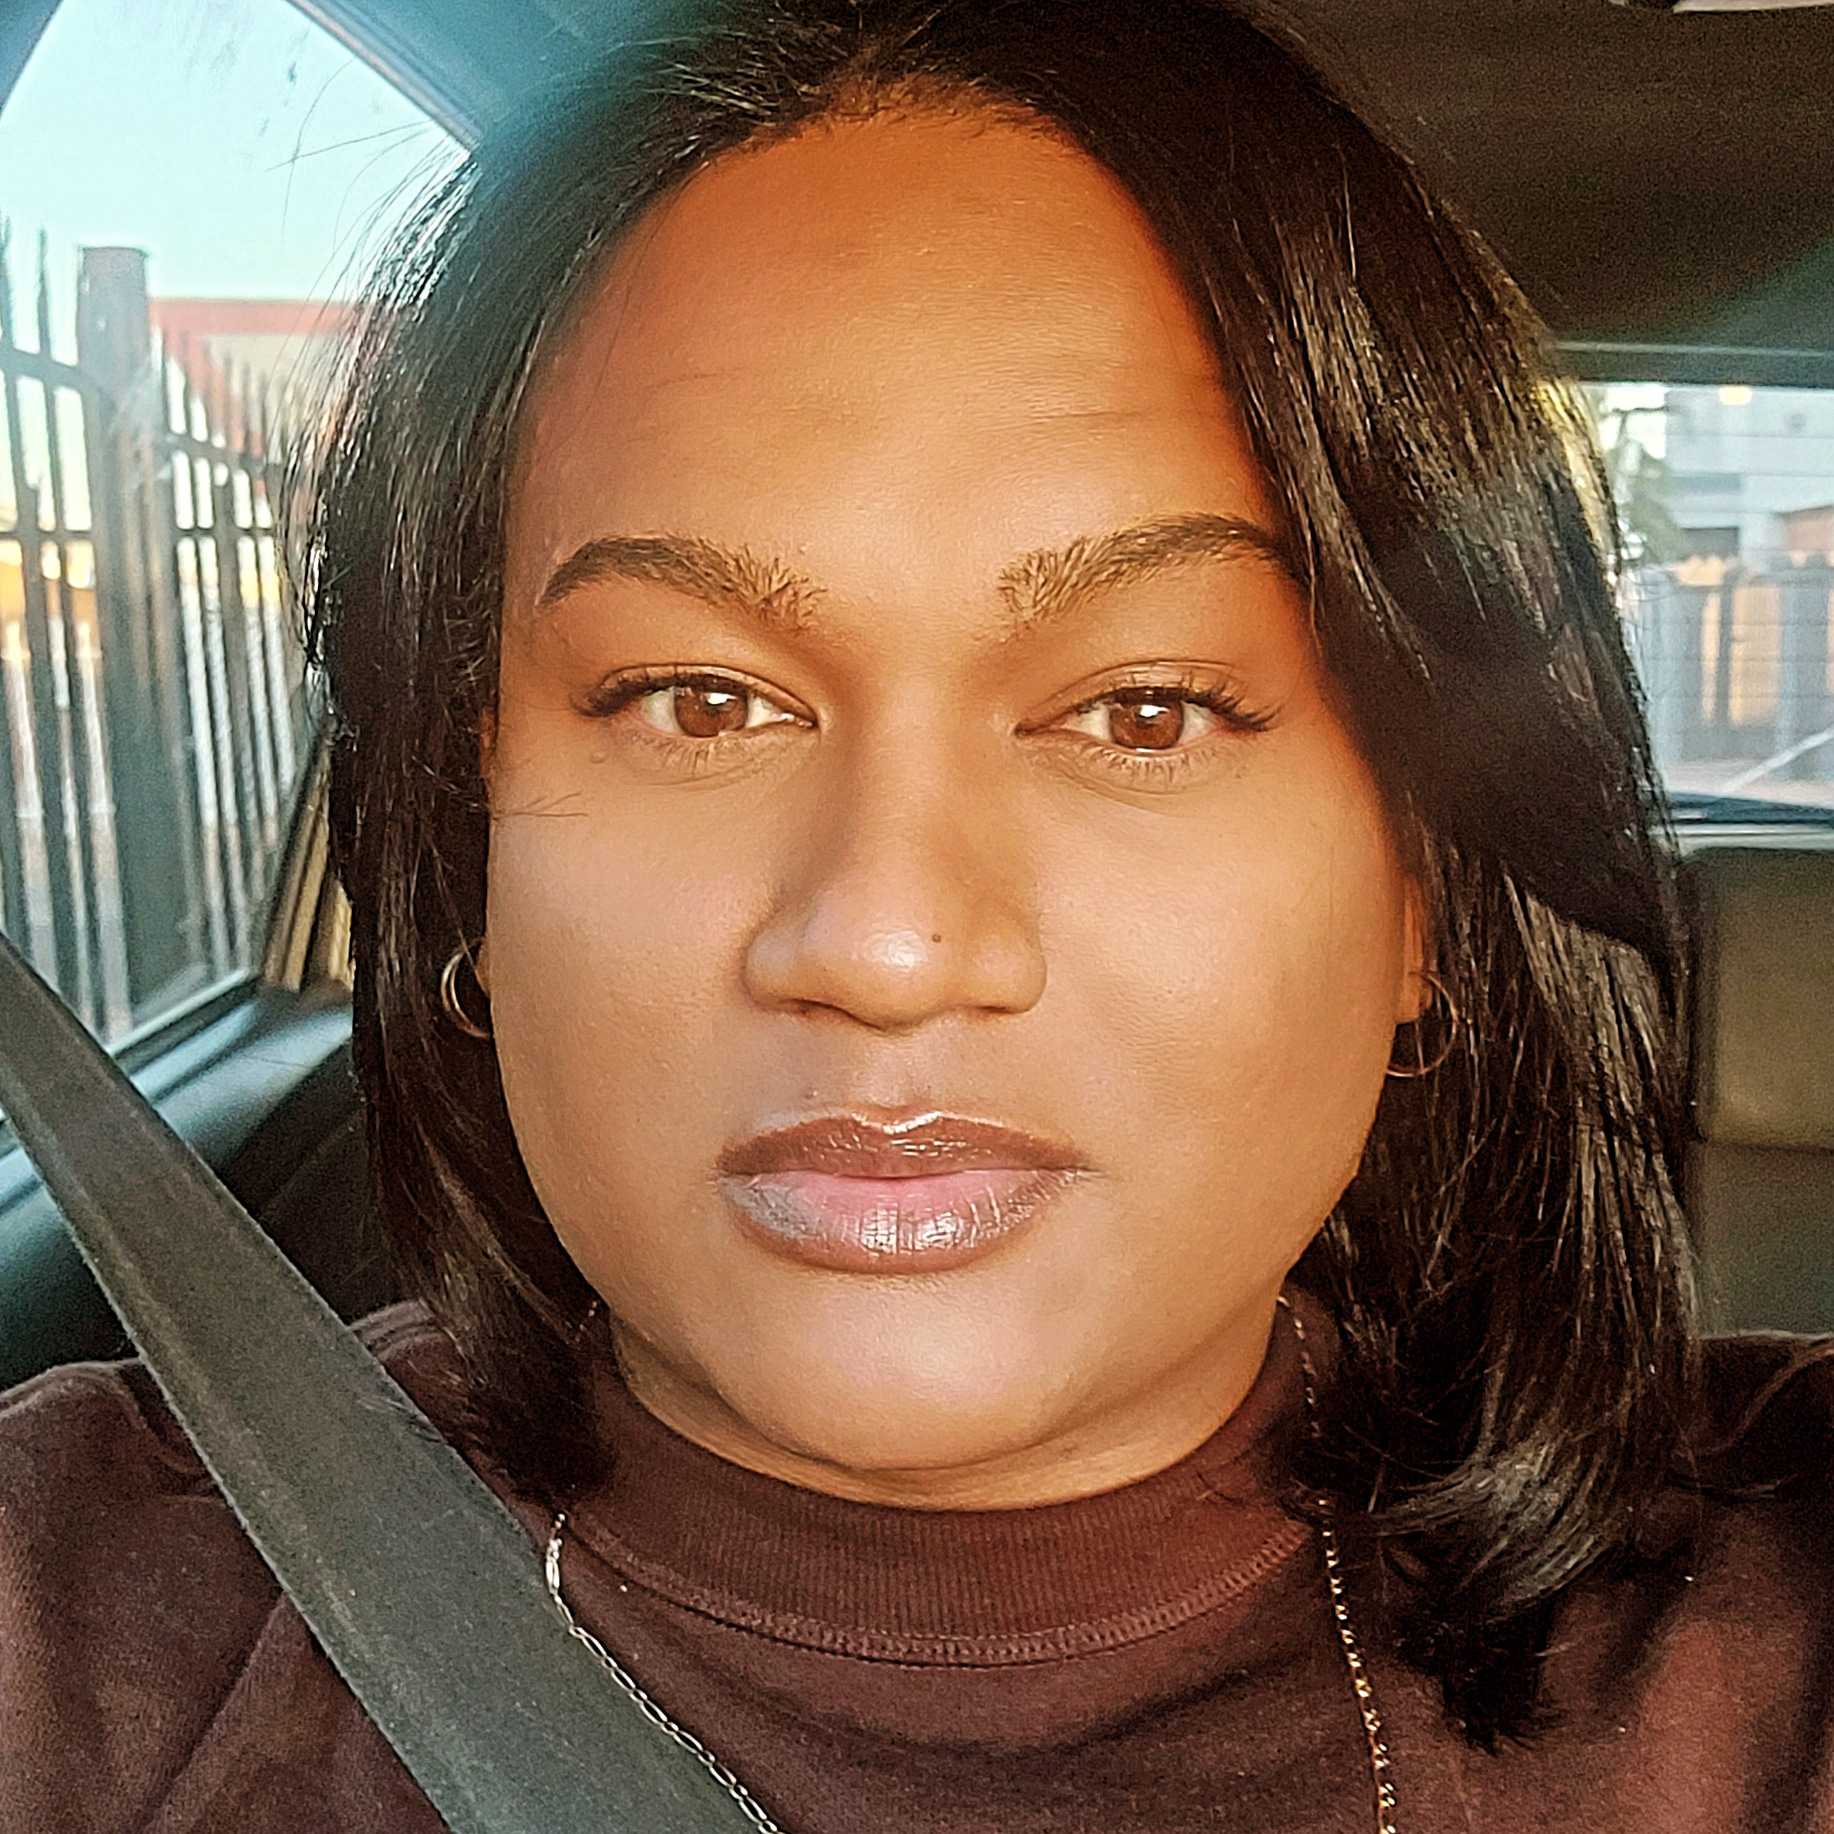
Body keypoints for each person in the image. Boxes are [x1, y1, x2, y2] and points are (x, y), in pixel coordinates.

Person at [4, 1, 1833, 1828]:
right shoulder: (75, 1620)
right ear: (467, 842)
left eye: (1144, 710)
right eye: (695, 702)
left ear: (1421, 884)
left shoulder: (1771, 1644)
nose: (882, 944)